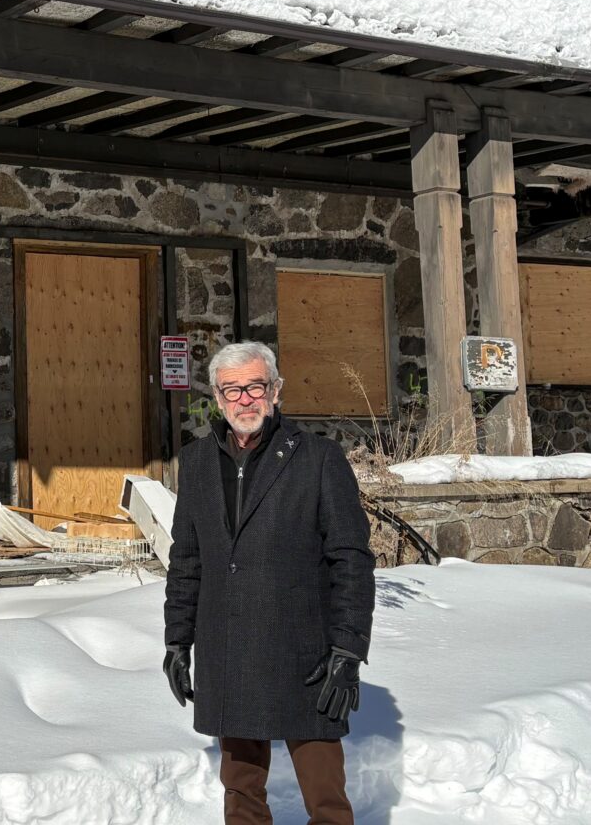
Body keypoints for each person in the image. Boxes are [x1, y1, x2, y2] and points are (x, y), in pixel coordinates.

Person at [162, 341, 374, 825]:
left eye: (255, 386)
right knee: (241, 795)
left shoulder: (318, 458)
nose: (245, 399)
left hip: (306, 655)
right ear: (217, 397)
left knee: (326, 800)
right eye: (232, 390)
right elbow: (187, 560)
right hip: (229, 649)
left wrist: (348, 649)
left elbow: (352, 560)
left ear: (275, 390)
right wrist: (178, 640)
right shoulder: (196, 462)